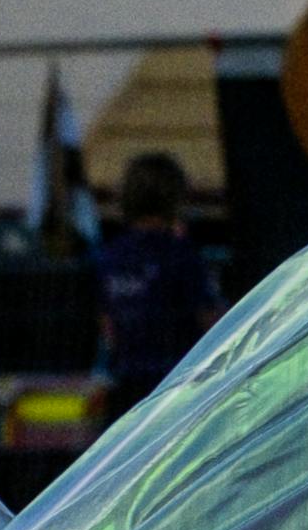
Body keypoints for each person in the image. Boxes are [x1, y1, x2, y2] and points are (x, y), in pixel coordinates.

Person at [90, 152, 220, 413]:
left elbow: (107, 327)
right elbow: (211, 320)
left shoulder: (109, 256)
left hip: (127, 382)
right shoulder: (180, 254)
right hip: (175, 382)